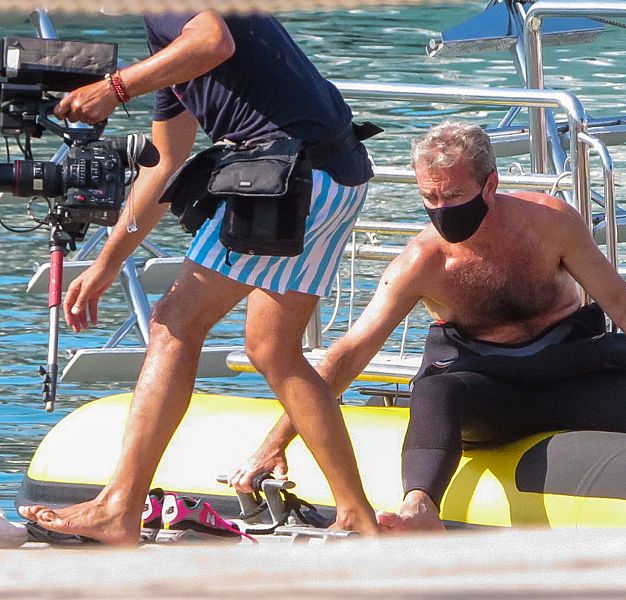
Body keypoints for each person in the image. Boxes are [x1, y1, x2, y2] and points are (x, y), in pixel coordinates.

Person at [229, 121, 626, 532]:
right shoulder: (422, 261)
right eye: (429, 197)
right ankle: (420, 507)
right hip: (489, 392)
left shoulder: (550, 223)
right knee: (436, 392)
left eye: (453, 195)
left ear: (490, 185)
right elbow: (349, 354)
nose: (441, 208)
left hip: (577, 372)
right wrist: (272, 445)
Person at [18, 11, 380, 543]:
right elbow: (164, 163)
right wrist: (108, 260)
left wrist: (113, 89)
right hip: (337, 173)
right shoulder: (167, 38)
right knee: (273, 349)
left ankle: (120, 507)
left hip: (291, 179)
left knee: (172, 325)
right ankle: (357, 515)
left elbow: (214, 40)